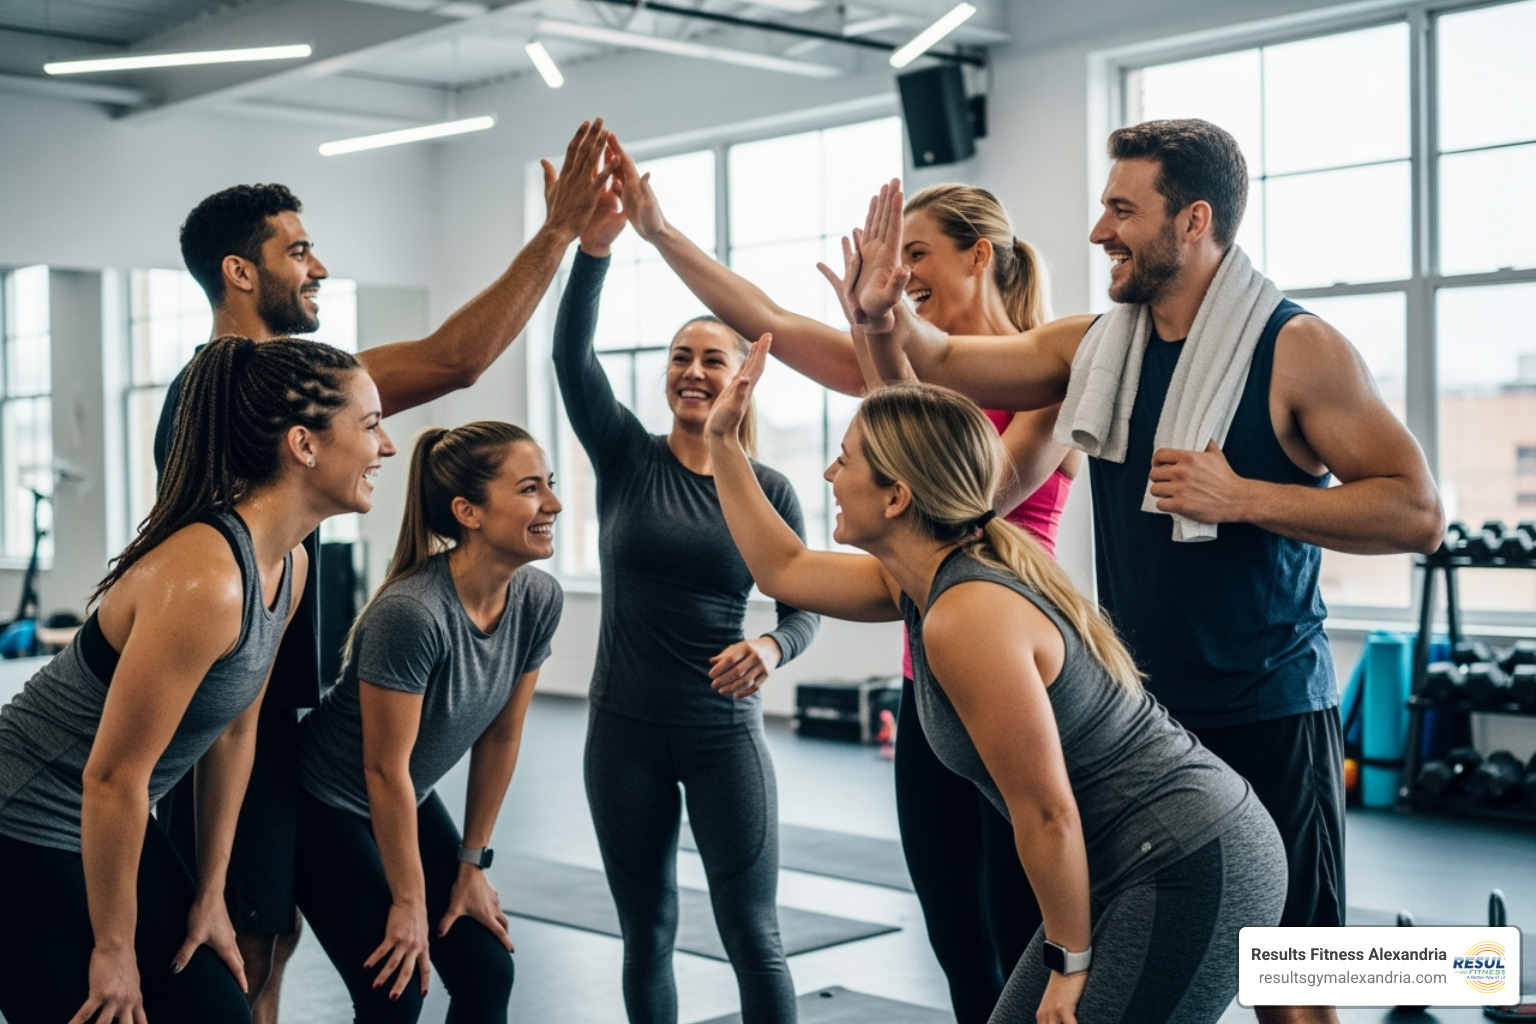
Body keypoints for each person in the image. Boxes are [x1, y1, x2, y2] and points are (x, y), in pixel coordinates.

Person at [849, 121, 1446, 1024]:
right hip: (1144, 727)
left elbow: (1417, 510)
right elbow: (937, 362)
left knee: (1297, 994)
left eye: (1122, 209)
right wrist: (883, 312)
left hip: (1268, 709)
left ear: (1194, 220)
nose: (1099, 232)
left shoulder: (1297, 350)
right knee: (1137, 975)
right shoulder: (1094, 345)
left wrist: (1244, 496)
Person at [153, 118, 614, 1023]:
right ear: (239, 272)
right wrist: (557, 231)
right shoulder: (249, 385)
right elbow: (455, 358)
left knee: (266, 943)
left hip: (267, 713)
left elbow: (453, 358)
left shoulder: (254, 380)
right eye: (298, 250)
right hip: (223, 721)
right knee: (244, 950)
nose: (317, 268)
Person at [616, 143, 1075, 1020]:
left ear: (980, 255)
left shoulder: (1046, 377)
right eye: (892, 257)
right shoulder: (894, 361)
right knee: (956, 942)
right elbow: (765, 318)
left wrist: (878, 339)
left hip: (1017, 674)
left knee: (1021, 931)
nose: (899, 273)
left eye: (916, 255)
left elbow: (969, 500)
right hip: (929, 678)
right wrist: (658, 230)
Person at [702, 346, 1286, 1024]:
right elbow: (785, 567)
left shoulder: (967, 615)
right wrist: (722, 439)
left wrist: (1069, 965)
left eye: (846, 459)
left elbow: (1045, 811)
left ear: (897, 495)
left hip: (1189, 859)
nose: (831, 474)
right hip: (1129, 862)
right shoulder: (922, 582)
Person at [0, 336, 394, 1024]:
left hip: (108, 818)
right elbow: (112, 778)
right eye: (370, 425)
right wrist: (114, 950)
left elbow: (236, 726)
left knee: (219, 1012)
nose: (385, 448)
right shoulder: (206, 581)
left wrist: (211, 893)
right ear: (304, 444)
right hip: (24, 820)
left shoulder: (289, 567)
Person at [553, 179, 820, 1024]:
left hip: (720, 734)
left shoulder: (768, 486)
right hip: (622, 731)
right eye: (680, 357)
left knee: (753, 932)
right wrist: (594, 251)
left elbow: (804, 602)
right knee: (648, 930)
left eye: (713, 358)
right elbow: (571, 359)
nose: (694, 372)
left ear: (744, 374)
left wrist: (773, 649)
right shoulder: (627, 456)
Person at [294, 422, 564, 1022]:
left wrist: (471, 865)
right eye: (530, 489)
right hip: (323, 803)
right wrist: (409, 903)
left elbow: (502, 734)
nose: (554, 503)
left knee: (488, 972)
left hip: (403, 795)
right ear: (468, 511)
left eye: (550, 484)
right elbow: (382, 768)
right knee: (394, 988)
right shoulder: (413, 614)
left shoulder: (538, 599)